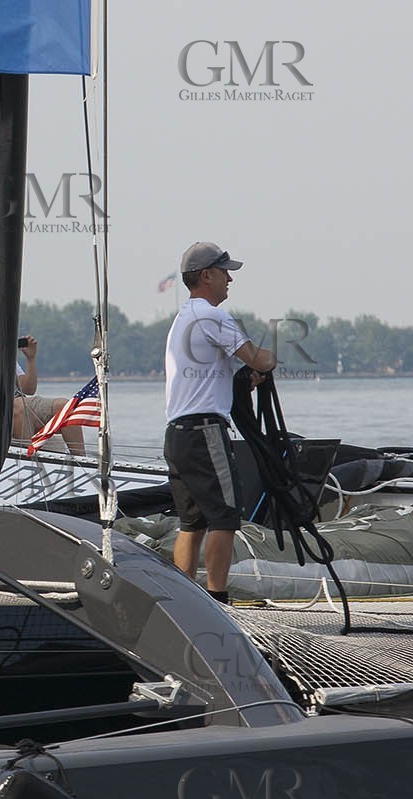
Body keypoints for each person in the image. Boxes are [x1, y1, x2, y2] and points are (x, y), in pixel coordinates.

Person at [163, 241, 276, 603]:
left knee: (192, 523)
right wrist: (269, 359)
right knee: (225, 518)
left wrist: (240, 379)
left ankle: (184, 601)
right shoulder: (212, 316)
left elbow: (210, 374)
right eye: (225, 271)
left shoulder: (184, 319)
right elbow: (258, 359)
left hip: (178, 434)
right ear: (206, 275)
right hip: (204, 432)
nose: (230, 279)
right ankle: (217, 599)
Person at [11, 335, 85, 455]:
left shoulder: (4, 354)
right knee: (19, 407)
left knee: (65, 406)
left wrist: (31, 359)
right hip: (0, 409)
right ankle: (28, 461)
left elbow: (29, 389)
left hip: (20, 402)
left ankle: (83, 461)